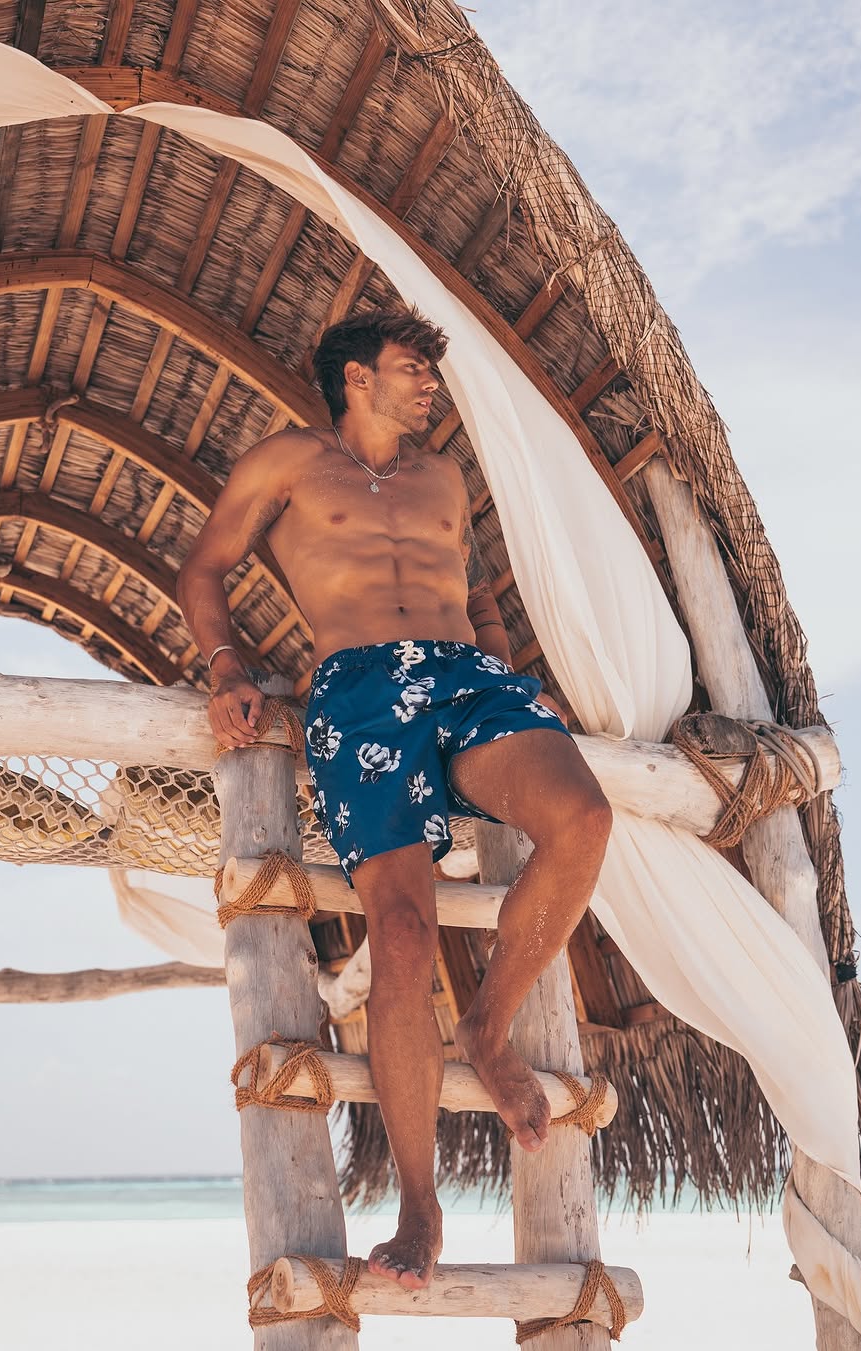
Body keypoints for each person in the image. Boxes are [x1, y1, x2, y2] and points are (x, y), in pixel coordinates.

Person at [176, 307, 612, 1291]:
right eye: (414, 368)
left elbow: (479, 590)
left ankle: (487, 1027)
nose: (430, 386)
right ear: (358, 377)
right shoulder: (289, 461)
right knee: (403, 935)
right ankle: (420, 1203)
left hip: (469, 681)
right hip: (362, 686)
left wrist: (507, 676)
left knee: (584, 818)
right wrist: (226, 666)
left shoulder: (445, 478)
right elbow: (205, 565)